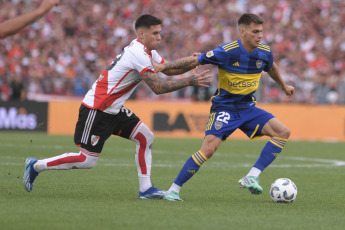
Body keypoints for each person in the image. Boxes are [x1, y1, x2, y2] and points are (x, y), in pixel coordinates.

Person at [23, 14, 211, 199]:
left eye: (160, 33)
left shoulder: (148, 52)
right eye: (155, 33)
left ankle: (146, 189)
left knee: (145, 137)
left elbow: (169, 69)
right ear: (142, 34)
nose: (159, 37)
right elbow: (158, 87)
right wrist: (189, 81)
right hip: (97, 108)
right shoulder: (138, 53)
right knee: (86, 160)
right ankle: (37, 165)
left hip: (114, 108)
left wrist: (197, 60)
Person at [152, 13, 295, 201]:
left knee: (283, 132)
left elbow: (271, 67)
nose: (260, 35)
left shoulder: (264, 52)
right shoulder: (227, 51)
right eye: (255, 31)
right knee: (208, 150)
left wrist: (283, 86)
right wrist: (164, 67)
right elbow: (196, 60)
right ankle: (173, 190)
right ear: (242, 32)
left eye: (261, 31)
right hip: (225, 108)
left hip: (247, 107)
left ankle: (251, 176)